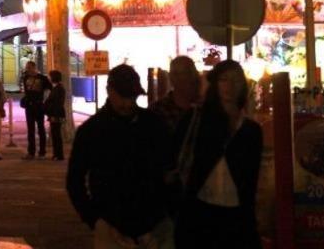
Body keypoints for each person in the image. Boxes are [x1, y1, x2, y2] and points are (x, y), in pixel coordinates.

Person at [67, 64, 173, 248]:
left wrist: (165, 214)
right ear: (109, 91)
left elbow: (168, 170)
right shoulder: (92, 130)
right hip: (110, 226)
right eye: (122, 96)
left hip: (155, 226)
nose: (127, 103)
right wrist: (95, 221)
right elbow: (74, 180)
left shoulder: (154, 125)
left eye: (131, 97)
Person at [174, 60, 263, 249]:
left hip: (237, 217)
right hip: (199, 213)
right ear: (216, 84)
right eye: (224, 80)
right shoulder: (197, 119)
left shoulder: (251, 130)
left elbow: (253, 178)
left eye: (236, 81)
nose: (230, 86)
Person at [151, 55, 202, 137]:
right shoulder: (158, 110)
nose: (182, 78)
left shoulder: (204, 108)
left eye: (185, 73)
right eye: (176, 74)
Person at [20, 60, 51, 158]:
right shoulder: (25, 78)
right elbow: (26, 91)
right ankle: (31, 152)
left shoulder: (42, 78)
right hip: (29, 106)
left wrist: (45, 101)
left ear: (34, 68)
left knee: (41, 129)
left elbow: (50, 89)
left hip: (39, 106)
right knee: (30, 130)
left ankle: (42, 152)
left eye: (29, 67)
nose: (27, 69)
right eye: (27, 67)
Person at [44, 69, 67, 161]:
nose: (49, 78)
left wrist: (52, 112)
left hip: (56, 114)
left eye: (50, 77)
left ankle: (59, 154)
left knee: (56, 134)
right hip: (55, 114)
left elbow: (57, 103)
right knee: (55, 134)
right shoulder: (57, 88)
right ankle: (56, 154)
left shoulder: (59, 89)